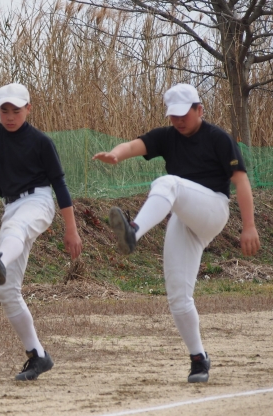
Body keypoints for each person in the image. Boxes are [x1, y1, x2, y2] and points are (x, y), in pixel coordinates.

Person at [93, 83, 260, 383]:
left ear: (199, 109)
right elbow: (133, 145)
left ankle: (133, 232)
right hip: (185, 217)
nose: (179, 121)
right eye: (174, 115)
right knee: (178, 297)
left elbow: (241, 181)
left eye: (184, 114)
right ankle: (199, 359)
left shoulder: (217, 138)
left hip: (213, 209)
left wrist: (249, 226)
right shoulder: (167, 136)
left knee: (168, 183)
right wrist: (115, 155)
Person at [0, 83, 83, 381]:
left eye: (16, 110)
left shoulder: (41, 142)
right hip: (11, 207)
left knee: (17, 228)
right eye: (4, 110)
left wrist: (71, 229)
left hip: (39, 202)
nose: (10, 116)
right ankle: (38, 355)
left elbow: (60, 186)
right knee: (7, 290)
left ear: (28, 109)